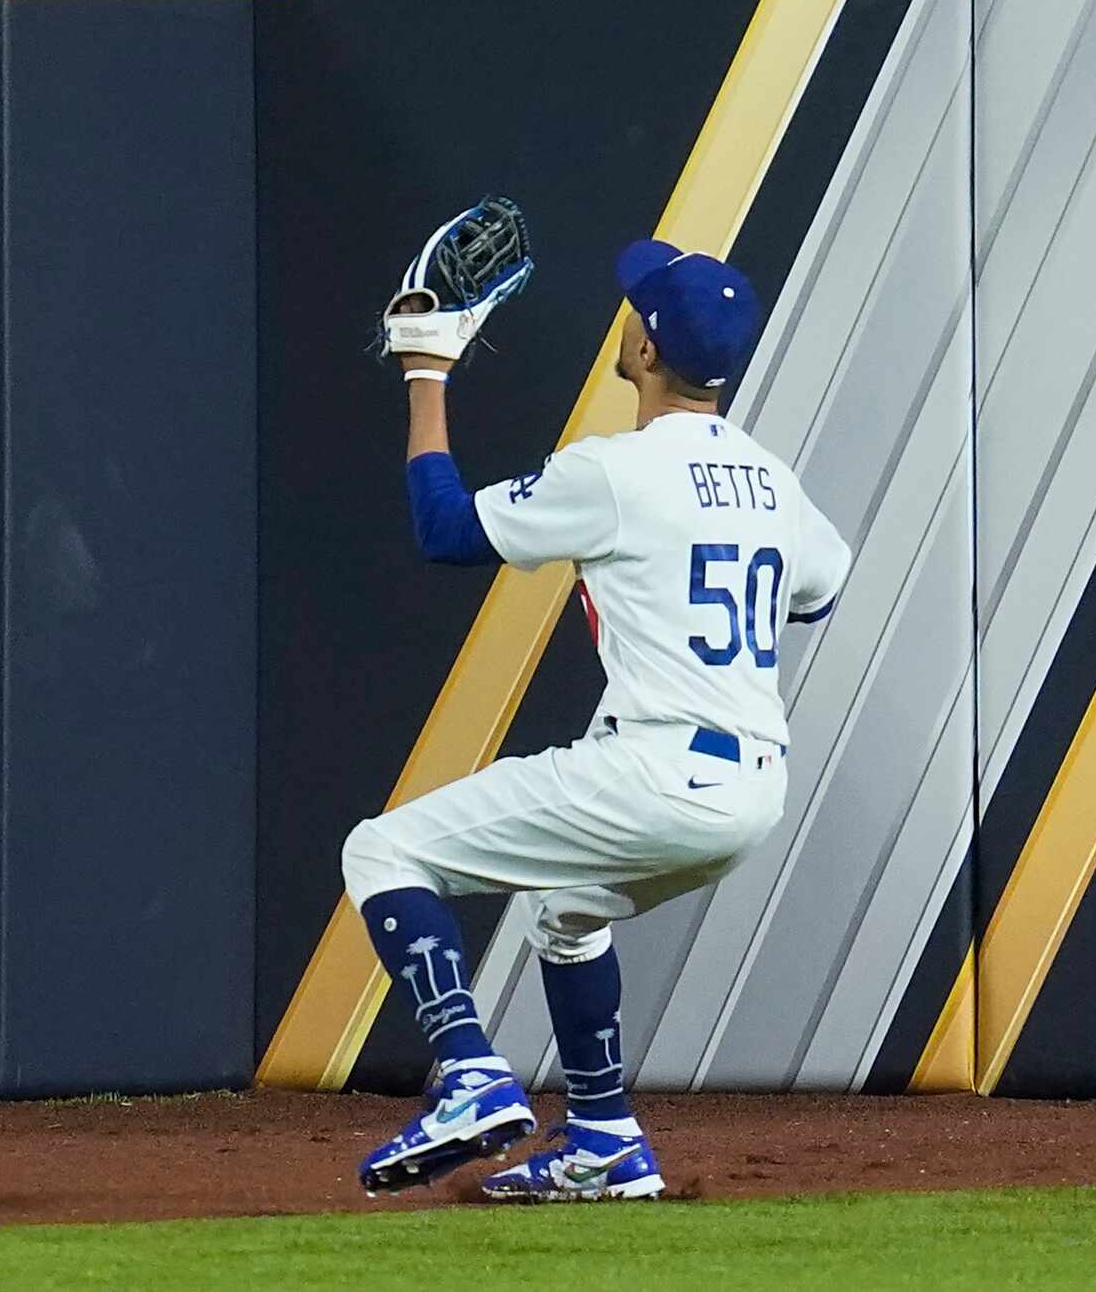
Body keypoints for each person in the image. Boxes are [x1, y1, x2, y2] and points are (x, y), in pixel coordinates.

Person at [344, 238, 852, 1201]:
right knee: (570, 916)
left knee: (381, 854)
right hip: (751, 790)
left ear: (648, 352)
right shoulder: (772, 481)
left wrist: (425, 369)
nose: (625, 316)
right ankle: (605, 1139)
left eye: (636, 308)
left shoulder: (617, 471)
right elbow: (818, 593)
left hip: (656, 771)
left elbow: (446, 532)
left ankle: (469, 1074)